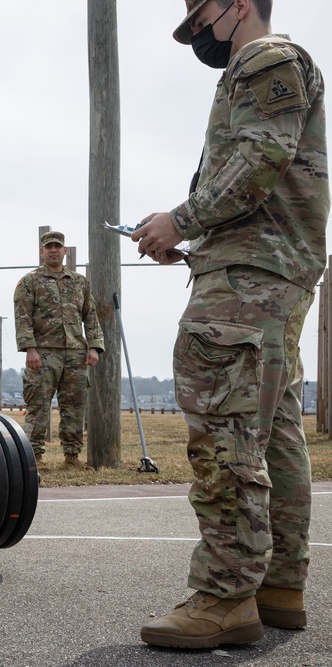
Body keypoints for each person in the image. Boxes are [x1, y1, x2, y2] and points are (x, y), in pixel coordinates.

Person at [134, 0, 328, 650]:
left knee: (223, 424)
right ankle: (277, 585)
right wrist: (189, 240)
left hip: (252, 278)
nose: (199, 34)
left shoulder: (266, 58)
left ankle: (225, 595)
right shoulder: (268, 66)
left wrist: (181, 219)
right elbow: (263, 182)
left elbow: (263, 158)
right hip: (266, 270)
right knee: (270, 427)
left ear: (238, 4)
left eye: (201, 18)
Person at [12, 231, 103, 470]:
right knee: (38, 405)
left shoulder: (79, 282)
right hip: (43, 353)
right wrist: (30, 349)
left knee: (74, 406)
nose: (53, 250)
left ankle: (72, 457)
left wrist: (94, 346)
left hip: (75, 353)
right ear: (42, 252)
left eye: (57, 246)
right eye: (49, 246)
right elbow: (23, 317)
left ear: (65, 251)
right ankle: (33, 457)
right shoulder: (29, 282)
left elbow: (91, 316)